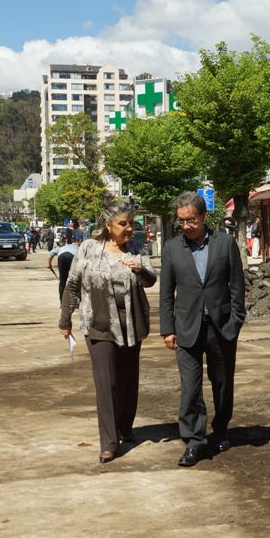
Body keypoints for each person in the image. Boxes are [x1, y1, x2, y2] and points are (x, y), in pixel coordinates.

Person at [59, 200, 156, 464]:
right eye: (122, 224)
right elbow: (73, 284)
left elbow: (150, 280)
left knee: (127, 381)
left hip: (132, 325)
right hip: (98, 325)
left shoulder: (137, 248)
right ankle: (109, 442)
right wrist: (65, 319)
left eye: (131, 224)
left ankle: (125, 426)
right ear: (108, 225)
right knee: (106, 384)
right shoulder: (89, 248)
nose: (128, 230)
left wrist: (140, 269)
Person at [159, 191, 246, 467]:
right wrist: (167, 329)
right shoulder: (172, 249)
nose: (187, 226)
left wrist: (236, 320)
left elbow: (237, 285)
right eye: (182, 221)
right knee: (190, 389)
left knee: (222, 384)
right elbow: (165, 293)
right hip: (186, 329)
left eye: (192, 220)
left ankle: (221, 430)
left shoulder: (225, 244)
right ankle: (194, 441)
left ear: (204, 217)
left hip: (220, 328)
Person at [47, 234, 80, 302]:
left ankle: (62, 301)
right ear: (76, 242)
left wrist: (49, 264)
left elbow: (51, 253)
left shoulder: (62, 247)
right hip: (72, 257)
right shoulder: (78, 247)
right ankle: (76, 299)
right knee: (75, 279)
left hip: (61, 256)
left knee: (62, 281)